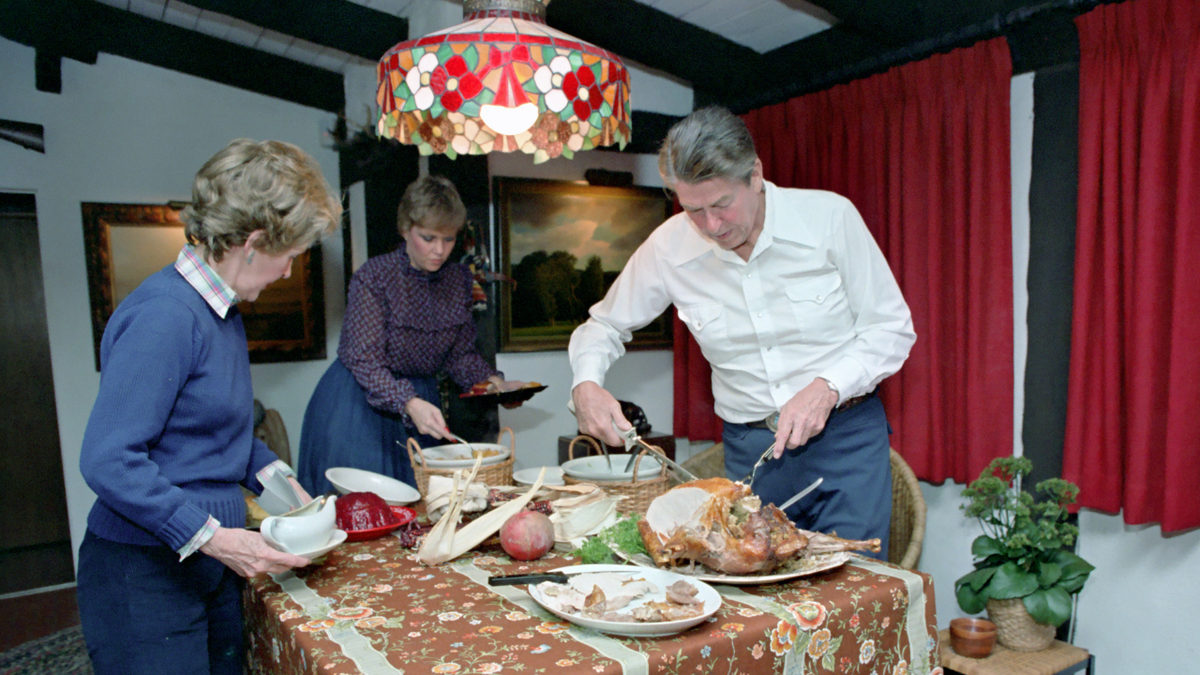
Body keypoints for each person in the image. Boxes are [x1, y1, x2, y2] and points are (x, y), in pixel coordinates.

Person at [568, 107, 915, 557]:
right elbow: (604, 325)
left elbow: (891, 329)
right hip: (753, 453)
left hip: (845, 440)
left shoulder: (829, 218)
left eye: (721, 204)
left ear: (755, 174)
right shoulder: (668, 248)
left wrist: (827, 387)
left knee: (853, 590)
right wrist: (586, 383)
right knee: (757, 597)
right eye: (694, 210)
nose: (712, 226)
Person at [76, 139, 342, 675]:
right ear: (254, 242)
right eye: (289, 257)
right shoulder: (164, 315)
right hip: (145, 573)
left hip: (205, 564)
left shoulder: (221, 312)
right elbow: (108, 459)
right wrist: (217, 540)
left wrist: (283, 481)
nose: (289, 273)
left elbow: (216, 428)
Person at [297, 175, 525, 495]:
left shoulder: (459, 280)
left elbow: (459, 355)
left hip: (420, 404)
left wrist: (493, 384)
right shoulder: (374, 277)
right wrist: (407, 402)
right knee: (365, 510)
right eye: (428, 238)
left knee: (421, 508)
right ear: (405, 228)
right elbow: (363, 360)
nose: (440, 250)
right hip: (359, 403)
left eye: (448, 239)